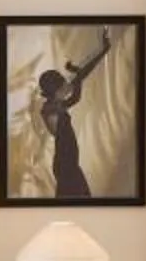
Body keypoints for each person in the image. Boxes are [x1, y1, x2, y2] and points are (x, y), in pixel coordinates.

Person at [36, 34, 113, 199]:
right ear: (55, 89)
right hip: (66, 166)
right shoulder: (50, 108)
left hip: (70, 164)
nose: (67, 86)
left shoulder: (57, 104)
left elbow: (76, 91)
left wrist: (104, 50)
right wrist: (77, 75)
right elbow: (73, 92)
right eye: (63, 84)